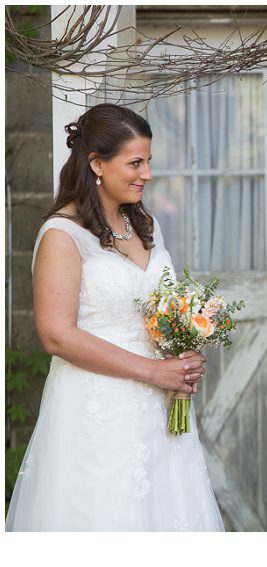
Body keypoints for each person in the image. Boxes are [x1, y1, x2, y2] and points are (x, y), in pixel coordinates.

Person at [6, 104, 224, 531]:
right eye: (135, 163)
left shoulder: (144, 224)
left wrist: (183, 351)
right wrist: (152, 370)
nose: (146, 174)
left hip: (160, 411)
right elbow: (56, 335)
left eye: (148, 162)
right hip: (98, 410)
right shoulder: (62, 235)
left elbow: (160, 308)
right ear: (97, 164)